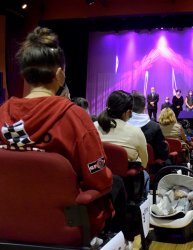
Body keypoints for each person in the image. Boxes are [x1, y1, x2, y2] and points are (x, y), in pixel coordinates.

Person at [0, 26, 114, 229]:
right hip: (64, 224)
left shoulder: (2, 114)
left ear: (25, 76)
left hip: (6, 220)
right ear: (60, 75)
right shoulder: (74, 116)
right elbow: (99, 180)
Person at [128, 91, 169, 161]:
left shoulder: (119, 125)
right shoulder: (155, 127)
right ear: (145, 108)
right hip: (151, 168)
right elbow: (162, 155)